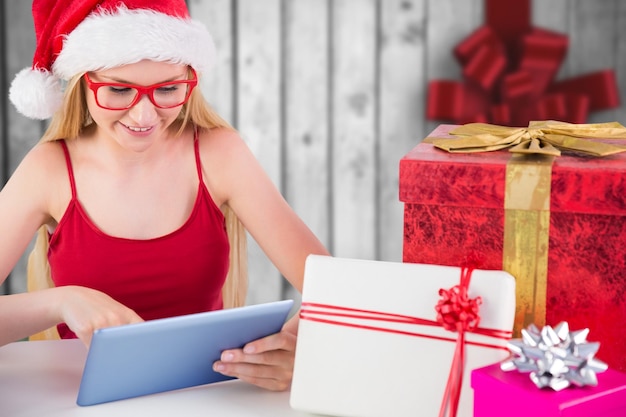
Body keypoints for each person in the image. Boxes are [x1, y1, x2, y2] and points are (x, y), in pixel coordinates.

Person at [0, 0, 329, 391]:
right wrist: (61, 301)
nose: (144, 116)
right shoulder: (49, 169)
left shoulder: (219, 154)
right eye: (119, 90)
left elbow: (333, 288)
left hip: (211, 398)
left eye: (168, 89)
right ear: (82, 83)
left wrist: (295, 347)